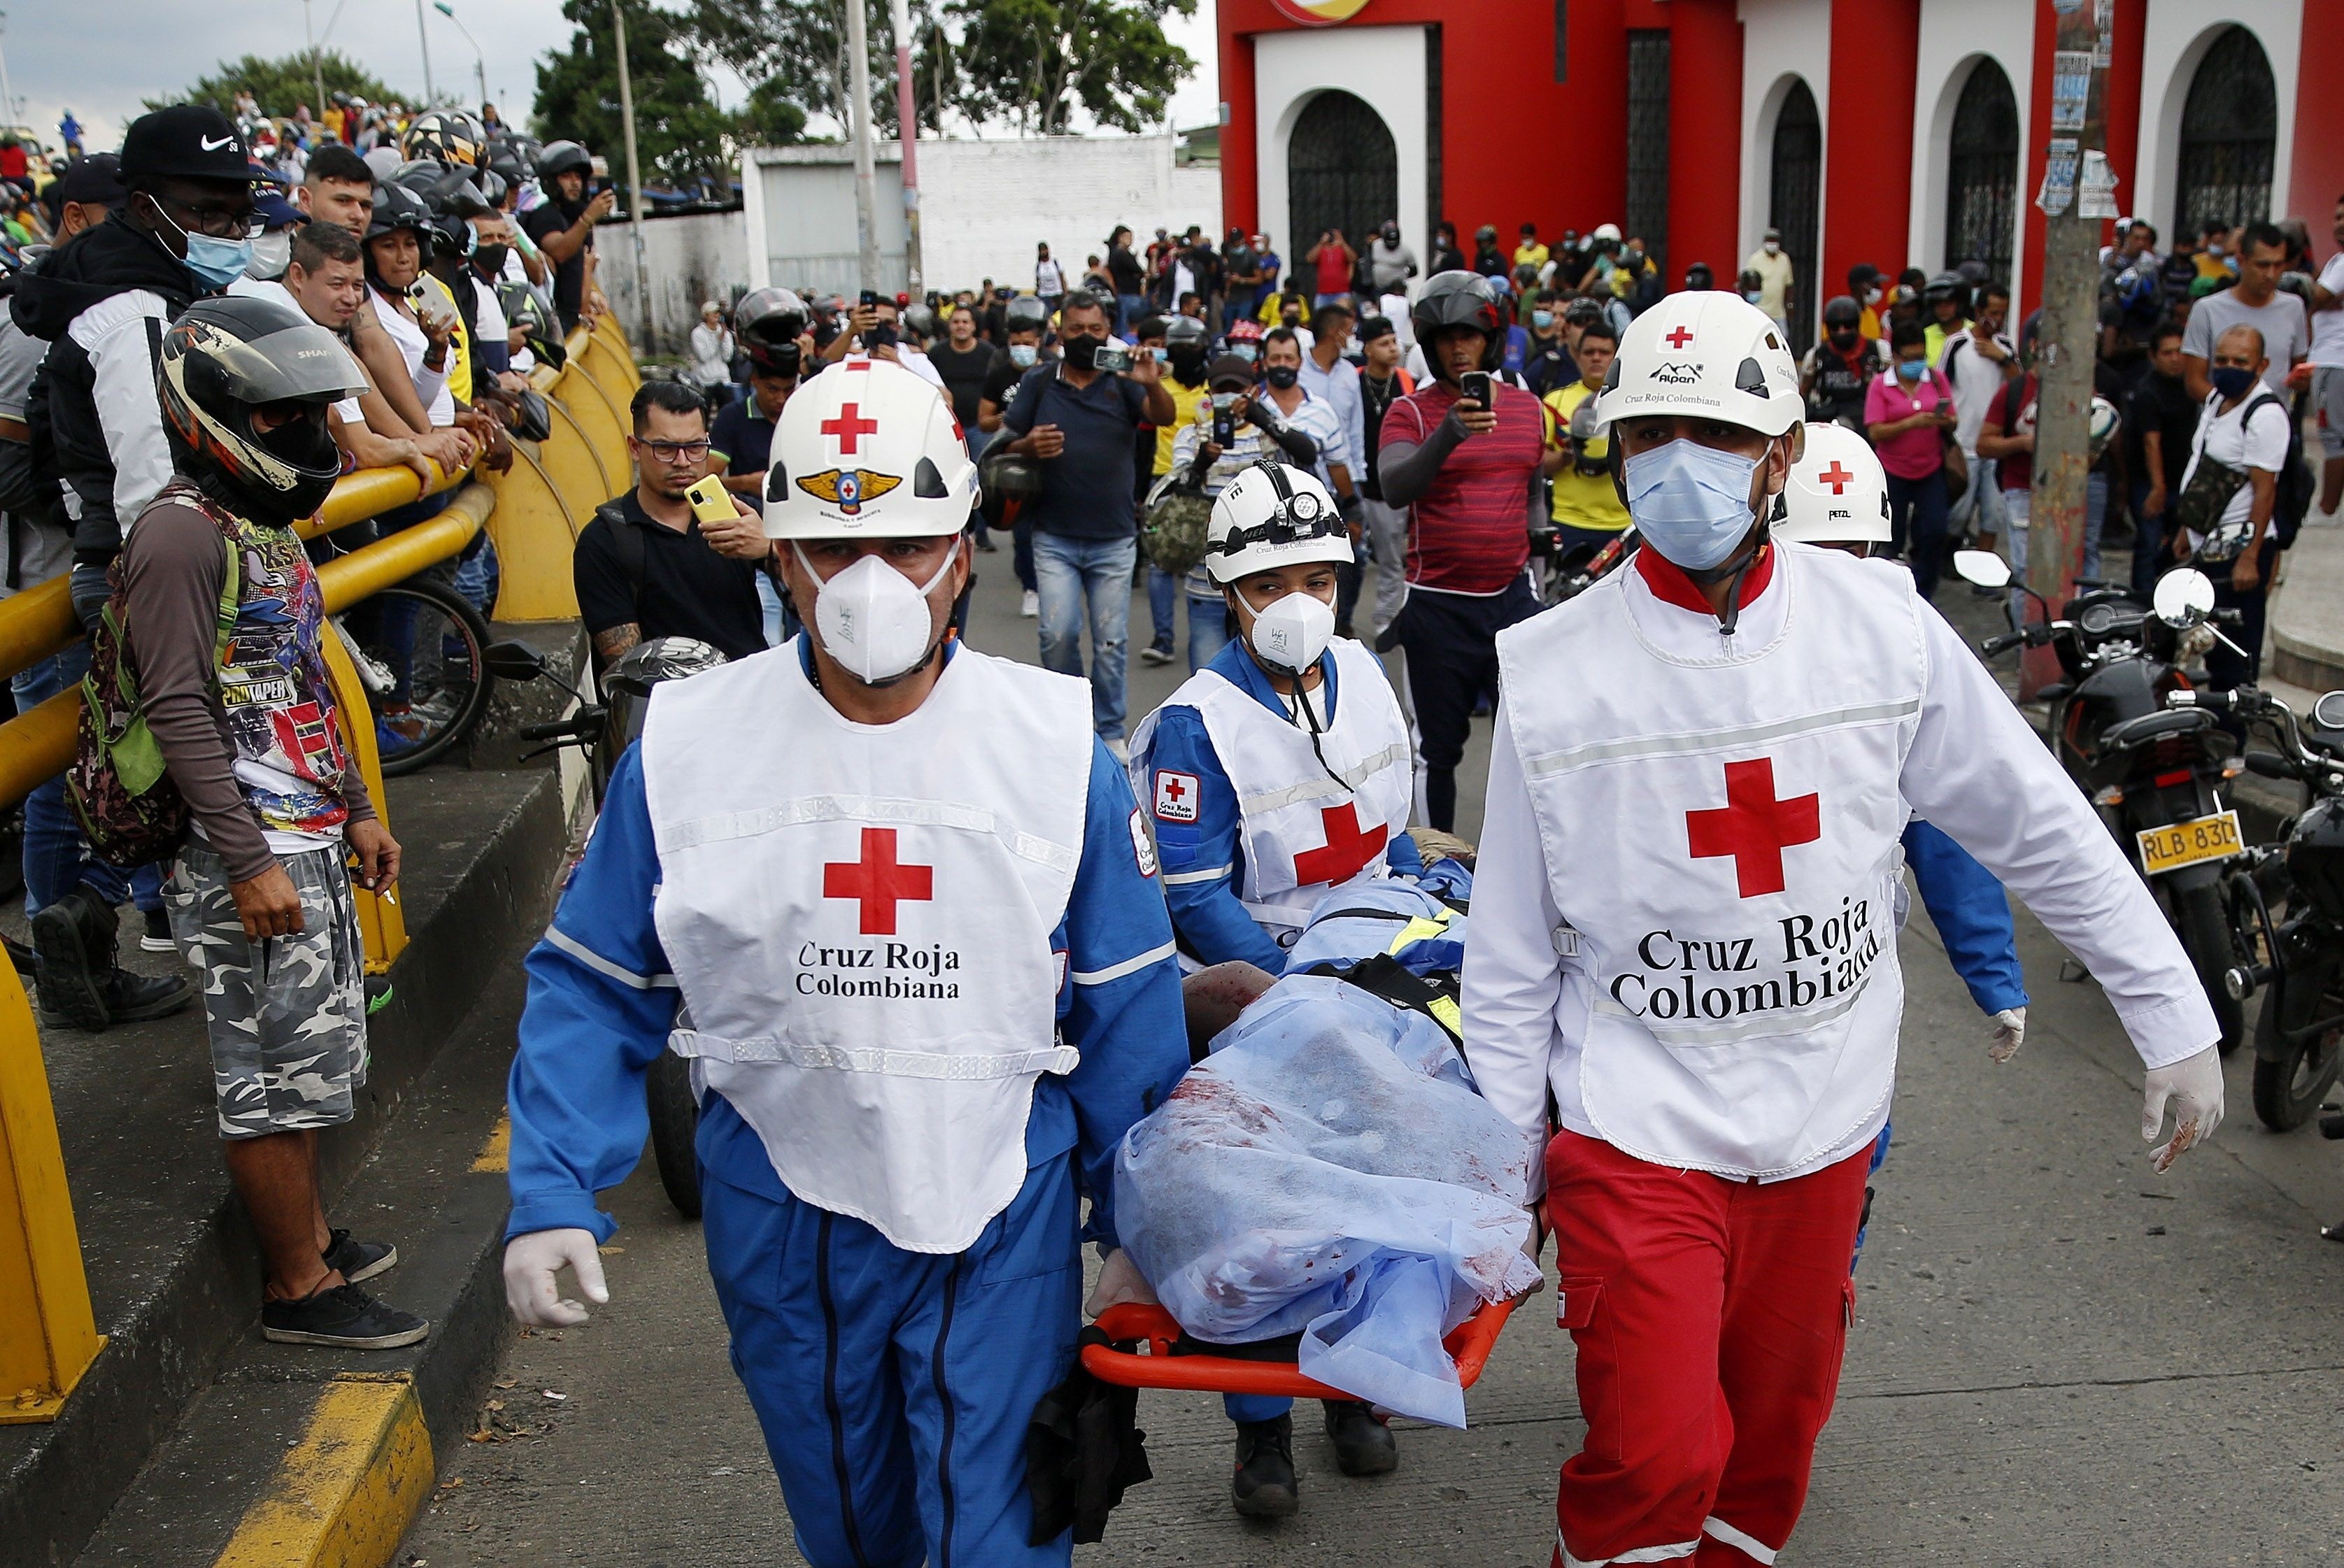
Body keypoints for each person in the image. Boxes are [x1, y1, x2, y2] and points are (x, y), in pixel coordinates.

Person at [1464, 288, 2223, 1568]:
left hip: (1823, 1129)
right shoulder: (1553, 669)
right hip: (1634, 1127)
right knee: (1654, 1450)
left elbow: (2036, 824)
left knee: (1766, 1456)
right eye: (1648, 434)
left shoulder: (1885, 634)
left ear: (1777, 454)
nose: (1676, 465)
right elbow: (1511, 957)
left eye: (1711, 434)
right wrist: (1497, 1172)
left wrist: (2170, 1011)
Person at [499, 357, 1187, 1568]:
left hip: (997, 1202)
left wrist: (1135, 1220)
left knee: (994, 1538)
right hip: (784, 1202)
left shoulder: (1052, 749)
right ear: (779, 557)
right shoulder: (691, 746)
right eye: (833, 544)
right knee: (852, 1531)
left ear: (965, 551)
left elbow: (1127, 1006)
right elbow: (597, 975)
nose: (876, 581)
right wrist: (553, 1186)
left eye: (913, 541)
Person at [109, 294, 420, 1348]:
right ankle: (299, 1287)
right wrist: (246, 860)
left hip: (308, 832)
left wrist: (360, 811)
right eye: (284, 415)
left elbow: (303, 681)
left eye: (315, 411)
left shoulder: (265, 528)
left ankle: (317, 1238)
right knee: (270, 1075)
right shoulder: (177, 537)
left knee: (314, 1056)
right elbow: (179, 706)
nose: (311, 433)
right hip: (242, 851)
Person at [1125, 459, 1419, 1513]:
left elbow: (1396, 827)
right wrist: (1304, 998)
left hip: (1372, 983)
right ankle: (1260, 1434)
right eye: (1272, 580)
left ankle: (1356, 1393)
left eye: (1318, 577)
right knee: (1255, 1220)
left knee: (1375, 1194)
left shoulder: (1365, 673)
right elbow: (1197, 897)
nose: (1300, 603)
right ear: (1229, 591)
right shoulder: (1195, 726)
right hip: (1254, 1000)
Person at [13, 106, 250, 633]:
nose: (232, 234)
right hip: (149, 576)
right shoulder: (135, 314)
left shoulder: (170, 287)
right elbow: (155, 490)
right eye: (212, 215)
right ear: (145, 208)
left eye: (242, 216)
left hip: (166, 561)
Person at [1377, 271, 1561, 831]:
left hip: (1510, 603)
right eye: (1444, 338)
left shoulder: (1527, 410)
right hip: (1437, 608)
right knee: (1438, 751)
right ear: (1429, 346)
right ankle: (1440, 873)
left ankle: (1524, 870)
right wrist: (1449, 433)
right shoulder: (1409, 413)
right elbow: (1394, 486)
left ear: (1491, 338)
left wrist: (1538, 581)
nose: (1458, 348)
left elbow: (1532, 498)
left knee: (1531, 744)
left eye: (1469, 335)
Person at [998, 292, 1177, 746]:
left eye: (1095, 330)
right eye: (1075, 330)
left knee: (1111, 642)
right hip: (1054, 534)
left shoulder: (1124, 380)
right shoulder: (1040, 383)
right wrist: (1028, 445)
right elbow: (1004, 442)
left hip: (1113, 537)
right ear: (1059, 333)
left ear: (1108, 332)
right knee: (1057, 633)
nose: (1085, 338)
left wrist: (1151, 382)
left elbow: (1163, 415)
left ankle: (1111, 731)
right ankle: (1070, 724)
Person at [574, 380, 774, 668]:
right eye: (665, 448)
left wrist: (770, 547)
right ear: (634, 447)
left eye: (695, 447)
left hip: (752, 691)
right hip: (667, 702)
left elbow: (815, 593)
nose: (682, 462)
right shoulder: (605, 540)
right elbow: (625, 666)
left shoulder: (741, 516)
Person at [2178, 322, 2289, 690]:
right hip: (2204, 545)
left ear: (2261, 365)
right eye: (2222, 359)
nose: (2229, 367)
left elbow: (2265, 493)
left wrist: (2249, 556)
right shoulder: (2215, 400)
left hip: (2236, 552)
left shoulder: (2265, 415)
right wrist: (2187, 527)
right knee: (2201, 641)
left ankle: (2234, 739)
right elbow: (2203, 463)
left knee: (2233, 657)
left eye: (2241, 361)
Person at [1141, 315, 1216, 667]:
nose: (1186, 353)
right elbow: (1143, 435)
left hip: (1210, 479)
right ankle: (1164, 637)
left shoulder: (1215, 387)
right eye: (1179, 348)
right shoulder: (1160, 386)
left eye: (1193, 347)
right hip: (1165, 475)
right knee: (1161, 560)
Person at [1863, 320, 1957, 599]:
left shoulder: (1937, 380)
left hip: (1930, 469)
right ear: (1896, 357)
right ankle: (1888, 592)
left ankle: (1923, 591)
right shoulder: (1881, 385)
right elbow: (1876, 430)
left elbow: (1954, 421)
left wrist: (1942, 421)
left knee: (1935, 531)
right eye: (1910, 359)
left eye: (1921, 357)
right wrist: (1912, 423)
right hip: (1893, 471)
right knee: (1890, 537)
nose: (1917, 364)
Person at [1938, 282, 2018, 564]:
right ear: (1979, 311)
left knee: (1993, 513)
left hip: (1995, 447)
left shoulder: (2005, 347)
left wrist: (2003, 358)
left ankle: (1984, 569)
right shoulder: (1958, 343)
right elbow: (1940, 385)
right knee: (1958, 511)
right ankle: (1948, 556)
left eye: (2002, 314)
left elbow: (2018, 385)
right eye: (1992, 312)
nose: (1996, 319)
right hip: (1964, 442)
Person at [1540, 317, 1628, 558]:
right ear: (1577, 357)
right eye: (1589, 352)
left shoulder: (1633, 402)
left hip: (1624, 523)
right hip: (1569, 521)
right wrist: (1567, 455)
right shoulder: (1554, 401)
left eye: (1604, 352)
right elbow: (1538, 461)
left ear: (1616, 357)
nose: (1596, 358)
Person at [1354, 315, 1415, 639]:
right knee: (1352, 560)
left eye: (1395, 342)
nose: (1393, 349)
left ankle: (1386, 619)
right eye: (1384, 344)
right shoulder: (1354, 380)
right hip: (1359, 484)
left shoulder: (1405, 380)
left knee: (1393, 558)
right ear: (1366, 348)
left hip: (1392, 486)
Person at [2127, 322, 2199, 594]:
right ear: (2153, 356)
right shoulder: (2147, 392)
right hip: (2151, 482)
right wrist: (2158, 488)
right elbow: (2150, 442)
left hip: (2182, 480)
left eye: (2180, 352)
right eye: (2168, 353)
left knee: (2179, 546)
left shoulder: (2191, 388)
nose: (2175, 359)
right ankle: (2142, 601)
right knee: (2149, 542)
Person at [519, 139, 611, 330]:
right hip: (553, 320)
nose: (575, 182)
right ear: (551, 180)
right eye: (566, 176)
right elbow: (560, 252)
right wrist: (588, 218)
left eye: (578, 177)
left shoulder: (574, 215)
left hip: (570, 319)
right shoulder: (544, 214)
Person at [2307, 194, 2344, 522]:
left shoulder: (2342, 264)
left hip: (2335, 361)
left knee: (2333, 436)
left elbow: (2315, 298)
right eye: (2338, 217)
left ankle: (2328, 509)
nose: (2341, 224)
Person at [1745, 225, 1794, 332]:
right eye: (1769, 241)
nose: (1772, 244)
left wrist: (1790, 305)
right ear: (1764, 242)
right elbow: (1747, 283)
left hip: (1779, 313)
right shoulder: (1755, 259)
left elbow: (1788, 285)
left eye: (1774, 241)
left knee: (1782, 339)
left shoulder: (1784, 259)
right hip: (1760, 310)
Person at [688, 300, 733, 405]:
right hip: (705, 380)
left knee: (727, 412)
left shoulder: (725, 333)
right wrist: (718, 341)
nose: (717, 315)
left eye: (718, 313)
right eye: (714, 312)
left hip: (723, 379)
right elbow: (703, 356)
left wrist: (723, 340)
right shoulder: (697, 333)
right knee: (705, 411)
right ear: (706, 315)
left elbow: (727, 357)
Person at [1106, 224, 1146, 334]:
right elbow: (1138, 270)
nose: (1131, 240)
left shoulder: (1116, 253)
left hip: (1125, 293)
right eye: (1128, 237)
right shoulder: (1121, 253)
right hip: (1129, 293)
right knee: (1128, 324)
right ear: (1120, 237)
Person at [1368, 220, 1416, 295]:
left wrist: (1400, 277)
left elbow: (1414, 271)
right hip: (1379, 288)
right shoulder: (1375, 245)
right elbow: (1368, 262)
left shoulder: (1406, 250)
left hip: (1397, 291)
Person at [1035, 240, 1067, 313]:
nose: (1044, 252)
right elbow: (1038, 281)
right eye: (1041, 250)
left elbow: (1062, 278)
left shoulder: (1055, 263)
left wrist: (1065, 294)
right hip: (1044, 295)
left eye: (1045, 250)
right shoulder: (1039, 265)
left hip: (1057, 294)